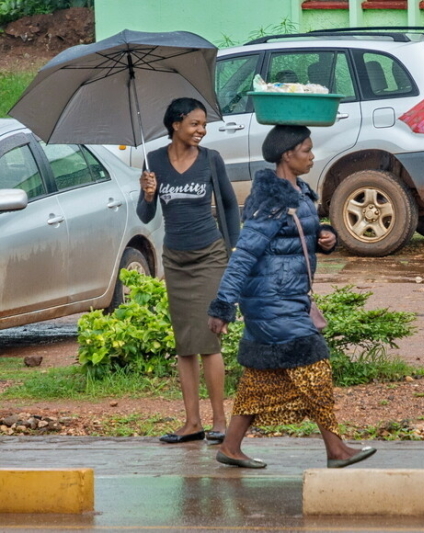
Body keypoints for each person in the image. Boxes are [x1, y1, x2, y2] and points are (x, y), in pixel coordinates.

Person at [207, 125, 376, 469]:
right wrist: (223, 306)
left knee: (262, 378)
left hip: (288, 297)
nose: (312, 156)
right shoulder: (273, 199)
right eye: (307, 150)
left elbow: (293, 240)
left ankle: (231, 447)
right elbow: (244, 254)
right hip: (272, 300)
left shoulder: (299, 192)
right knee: (315, 364)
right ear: (288, 155)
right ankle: (336, 449)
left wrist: (324, 238)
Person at [137, 97, 240, 444]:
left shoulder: (211, 159)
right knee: (185, 344)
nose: (201, 130)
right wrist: (148, 193)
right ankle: (192, 422)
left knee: (209, 339)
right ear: (176, 124)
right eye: (195, 124)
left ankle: (220, 422)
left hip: (210, 255)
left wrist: (235, 249)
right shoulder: (153, 161)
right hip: (176, 260)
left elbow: (228, 203)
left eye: (203, 125)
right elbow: (145, 215)